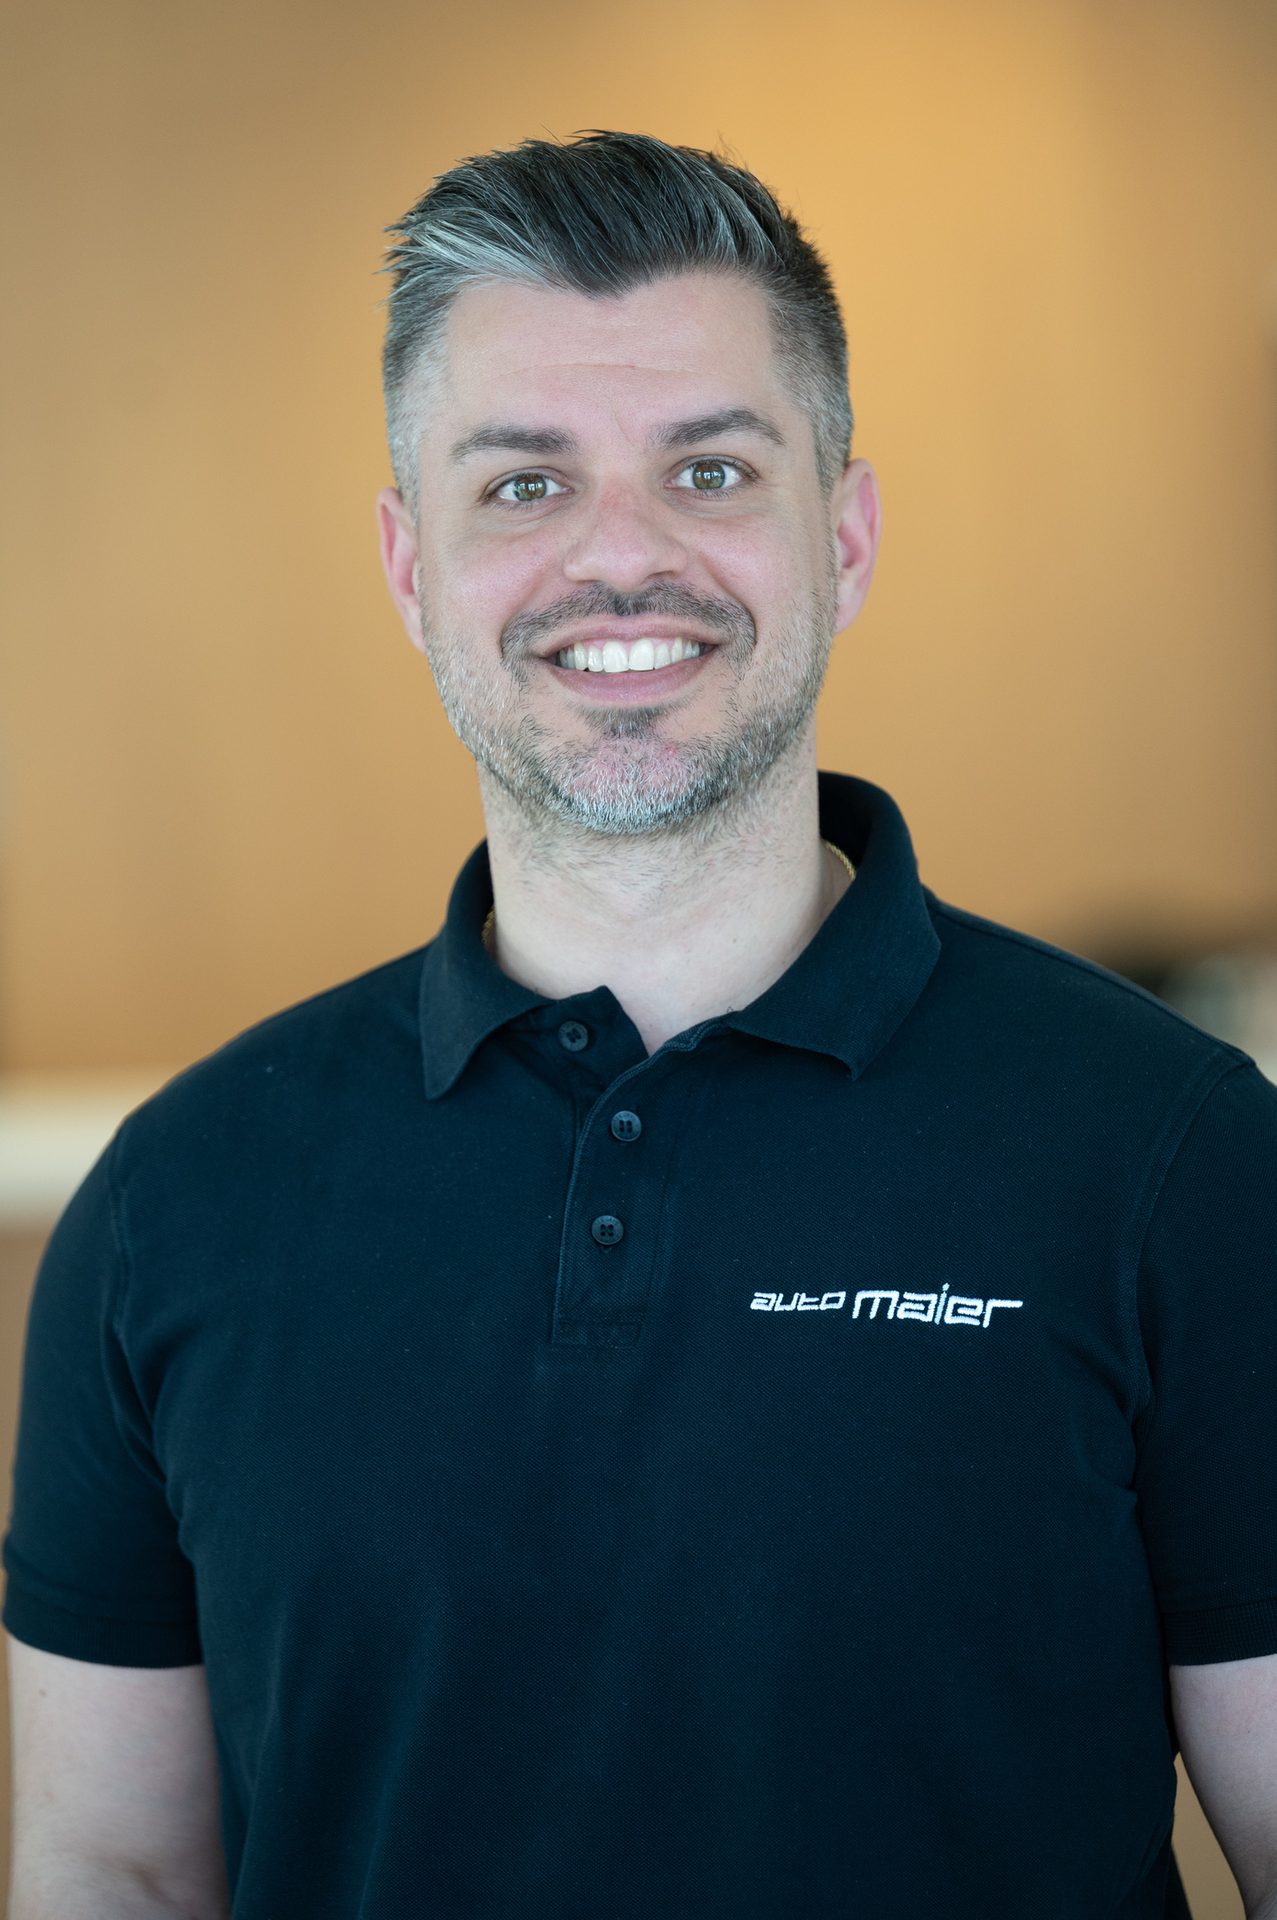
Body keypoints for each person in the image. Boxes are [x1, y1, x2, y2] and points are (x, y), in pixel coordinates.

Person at [4, 131, 1276, 1920]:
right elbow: (113, 1873)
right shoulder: (172, 1206)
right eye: (521, 486)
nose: (622, 557)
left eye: (707, 467)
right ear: (406, 567)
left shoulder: (1174, 1155)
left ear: (839, 536)